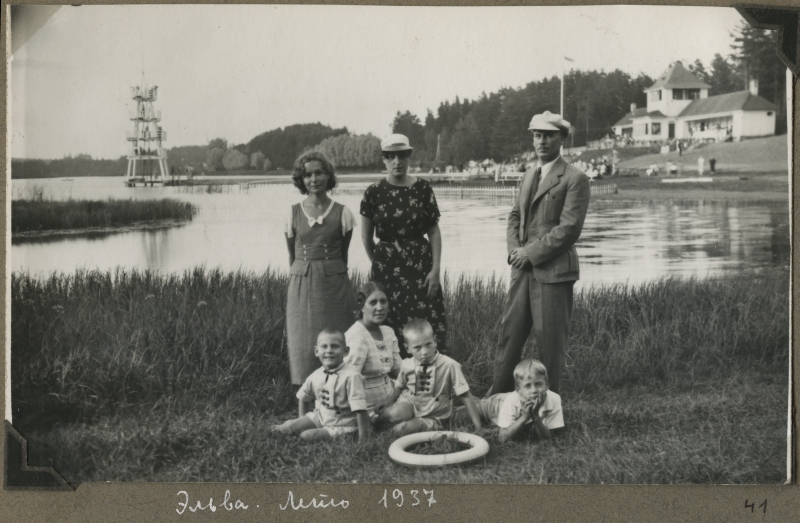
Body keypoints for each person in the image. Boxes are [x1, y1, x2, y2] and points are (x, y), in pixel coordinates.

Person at [488, 111, 591, 396]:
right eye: (537, 135)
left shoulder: (575, 178)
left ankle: (548, 406)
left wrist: (529, 253)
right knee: (509, 336)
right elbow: (513, 217)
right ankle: (497, 398)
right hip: (522, 270)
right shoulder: (529, 175)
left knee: (550, 344)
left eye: (548, 135)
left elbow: (569, 229)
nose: (541, 141)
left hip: (553, 273)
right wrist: (515, 252)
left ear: (562, 139)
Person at [361, 134, 447, 357]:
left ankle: (430, 374)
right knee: (387, 319)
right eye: (391, 157)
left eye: (401, 156)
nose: (396, 161)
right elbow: (366, 238)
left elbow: (434, 231)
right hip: (385, 268)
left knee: (424, 319)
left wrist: (435, 269)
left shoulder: (423, 189)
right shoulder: (373, 192)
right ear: (384, 160)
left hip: (420, 266)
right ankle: (393, 377)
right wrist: (379, 264)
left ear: (409, 157)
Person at [285, 151, 358, 385]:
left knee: (338, 333)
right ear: (301, 180)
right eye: (307, 175)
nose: (313, 179)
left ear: (328, 176)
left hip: (334, 284)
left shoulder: (342, 212)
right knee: (304, 338)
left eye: (319, 173)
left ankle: (340, 385)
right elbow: (292, 254)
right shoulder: (293, 212)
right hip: (302, 283)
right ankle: (306, 389)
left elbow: (343, 253)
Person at [376, 319, 482, 436]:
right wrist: (388, 403)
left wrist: (478, 428)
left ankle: (404, 428)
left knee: (400, 430)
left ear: (435, 341)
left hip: (435, 414)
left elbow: (465, 395)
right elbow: (400, 386)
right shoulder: (406, 365)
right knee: (395, 414)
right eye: (417, 348)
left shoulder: (449, 365)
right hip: (410, 403)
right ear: (407, 348)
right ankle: (377, 420)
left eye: (428, 344)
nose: (425, 352)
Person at [272, 329, 370, 442]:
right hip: (320, 417)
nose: (329, 351)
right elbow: (303, 397)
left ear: (345, 351)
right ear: (316, 351)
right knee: (287, 427)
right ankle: (283, 430)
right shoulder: (316, 375)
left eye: (334, 346)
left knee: (306, 436)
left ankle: (349, 435)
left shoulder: (352, 376)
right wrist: (303, 420)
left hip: (342, 423)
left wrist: (364, 438)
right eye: (324, 346)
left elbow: (361, 409)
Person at [344, 281, 403, 419]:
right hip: (367, 405)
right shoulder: (356, 336)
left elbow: (398, 369)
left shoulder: (387, 332)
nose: (380, 307)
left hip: (390, 396)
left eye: (383, 302)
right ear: (362, 306)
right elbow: (349, 380)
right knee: (399, 415)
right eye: (373, 303)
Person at [474, 359, 563, 442]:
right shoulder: (512, 400)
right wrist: (525, 416)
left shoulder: (554, 399)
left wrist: (535, 415)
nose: (534, 390)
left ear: (547, 385)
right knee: (470, 410)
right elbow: (502, 437)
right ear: (518, 391)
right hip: (497, 404)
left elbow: (547, 439)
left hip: (506, 405)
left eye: (538, 384)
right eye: (527, 386)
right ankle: (472, 398)